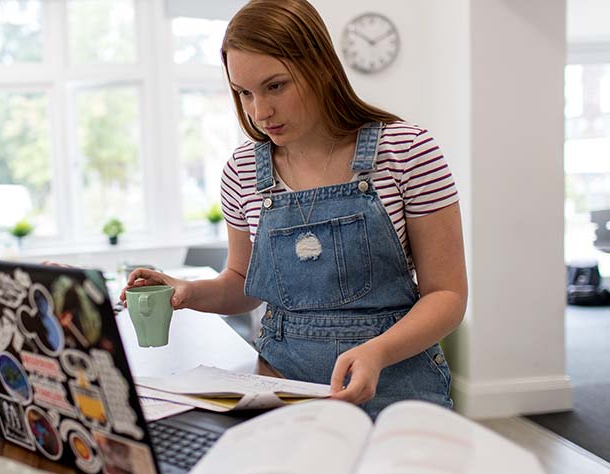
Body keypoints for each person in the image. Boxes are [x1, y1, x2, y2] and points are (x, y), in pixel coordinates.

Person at [121, 0, 467, 419]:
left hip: (398, 390)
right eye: (244, 92)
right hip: (282, 390)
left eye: (275, 86)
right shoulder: (242, 171)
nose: (259, 111)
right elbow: (242, 284)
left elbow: (447, 295)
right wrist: (188, 292)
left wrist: (377, 351)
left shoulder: (408, 151)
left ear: (321, 68)